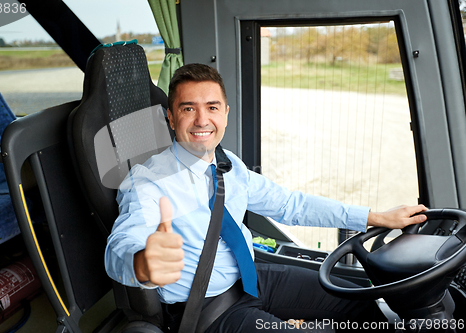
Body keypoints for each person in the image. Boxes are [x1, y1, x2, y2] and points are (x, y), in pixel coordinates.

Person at [105, 63, 428, 332]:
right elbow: (120, 245)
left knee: (358, 302)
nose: (202, 120)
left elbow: (290, 205)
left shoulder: (227, 164)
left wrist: (375, 217)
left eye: (212, 108)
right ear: (171, 117)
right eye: (188, 109)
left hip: (251, 280)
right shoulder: (148, 182)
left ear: (226, 114)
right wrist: (142, 263)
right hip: (205, 309)